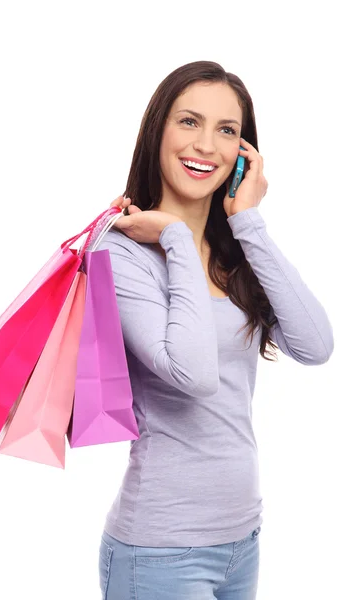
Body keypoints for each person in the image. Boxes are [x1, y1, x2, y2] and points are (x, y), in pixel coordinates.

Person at [96, 60, 334, 600]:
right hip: (159, 550)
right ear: (157, 130)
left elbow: (315, 347)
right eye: (189, 122)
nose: (206, 144)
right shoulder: (121, 255)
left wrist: (248, 222)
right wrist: (177, 236)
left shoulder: (233, 255)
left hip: (241, 539)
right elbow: (194, 374)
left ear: (243, 154)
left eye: (227, 130)